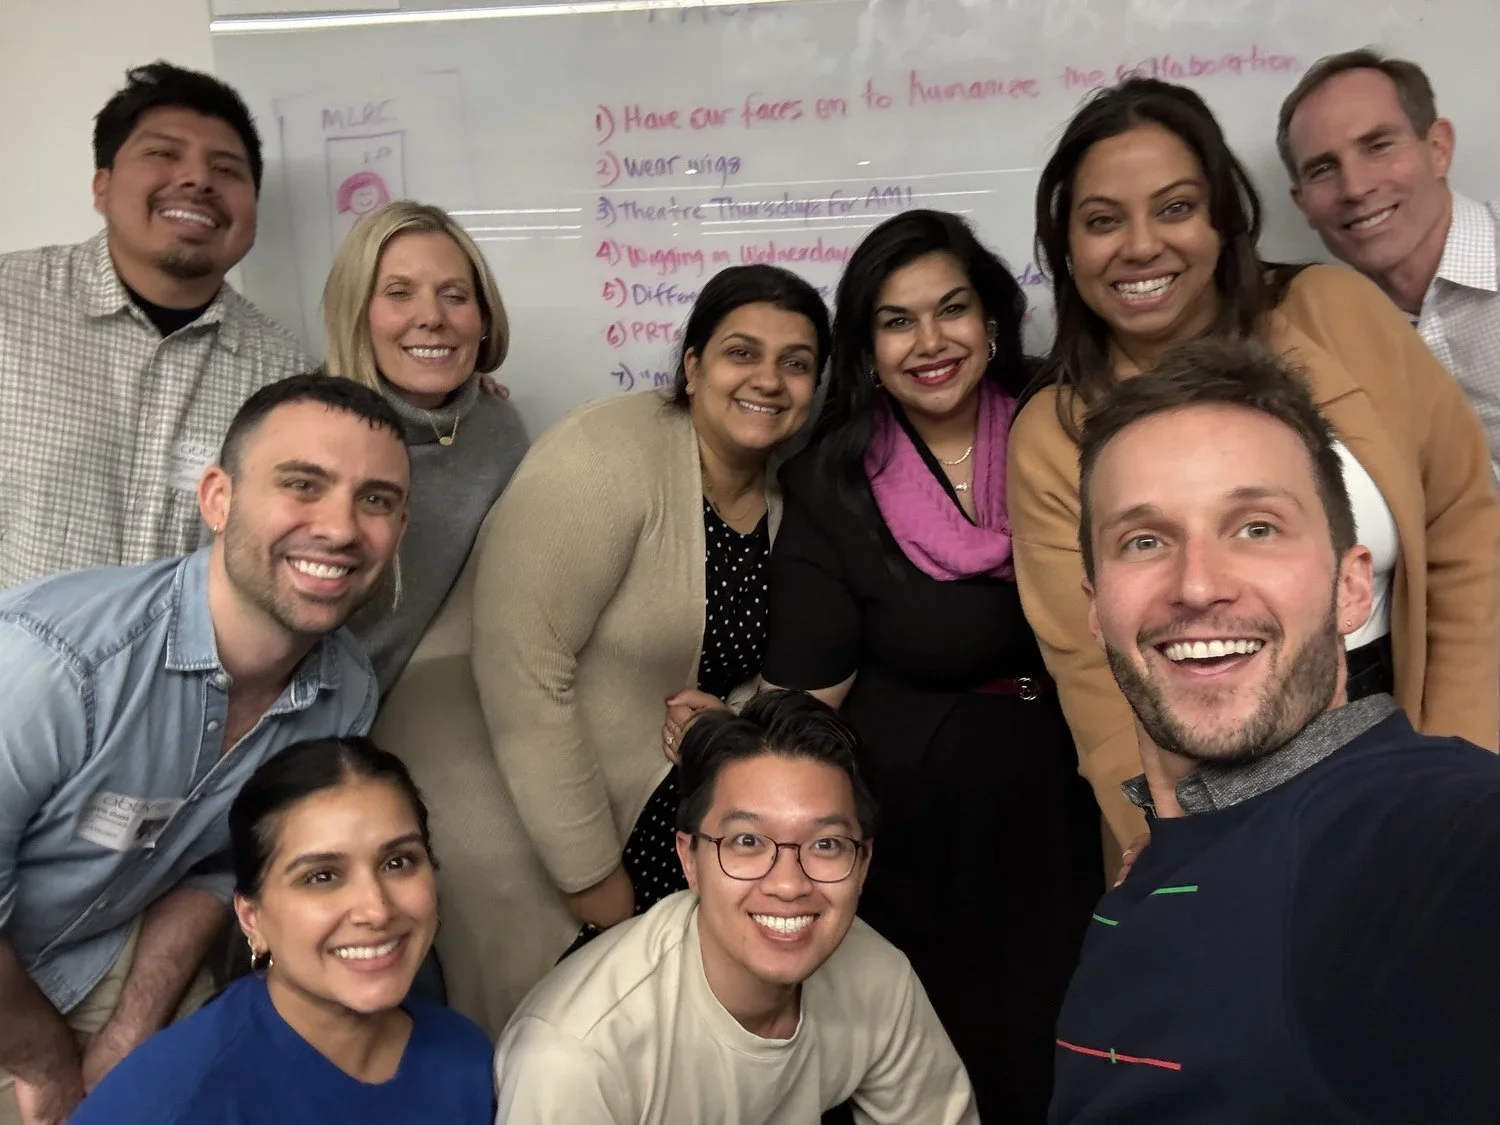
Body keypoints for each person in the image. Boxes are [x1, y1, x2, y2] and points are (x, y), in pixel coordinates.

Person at [1008, 77, 1500, 861]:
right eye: (1103, 221)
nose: (1140, 245)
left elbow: (1463, 523)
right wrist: (1174, 846)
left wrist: (1460, 765)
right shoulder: (1052, 434)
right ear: (1067, 247)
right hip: (1205, 783)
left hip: (1414, 718)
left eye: (1174, 207)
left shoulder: (1335, 311)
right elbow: (1095, 679)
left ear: (1223, 218)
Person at [1048, 339, 1500, 1125]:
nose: (1197, 585)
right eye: (1144, 540)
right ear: (1094, 604)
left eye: (1256, 527)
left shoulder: (1426, 830)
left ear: (1352, 587)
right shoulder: (1154, 865)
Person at [370, 264, 829, 1035]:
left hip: (650, 809)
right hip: (502, 797)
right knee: (548, 1051)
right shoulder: (610, 452)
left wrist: (729, 721)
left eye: (797, 363)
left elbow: (732, 665)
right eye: (741, 353)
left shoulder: (783, 498)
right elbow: (521, 666)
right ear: (692, 366)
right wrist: (594, 884)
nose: (769, 380)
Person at [736, 209, 1099, 1121]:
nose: (930, 342)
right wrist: (732, 738)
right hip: (925, 824)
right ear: (867, 344)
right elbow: (806, 695)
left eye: (952, 310)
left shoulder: (1065, 428)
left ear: (992, 320)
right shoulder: (833, 478)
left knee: (1077, 1040)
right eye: (897, 321)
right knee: (950, 1067)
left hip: (1076, 788)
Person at [0, 375, 407, 1125]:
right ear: (217, 498)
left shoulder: (344, 691)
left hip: (102, 947)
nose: (343, 528)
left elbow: (219, 866)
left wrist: (129, 1033)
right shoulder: (55, 665)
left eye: (375, 499)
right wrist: (46, 1062)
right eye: (303, 484)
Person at [494, 690, 977, 1123]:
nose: (788, 885)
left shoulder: (879, 977)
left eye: (826, 845)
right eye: (747, 841)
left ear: (863, 862)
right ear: (691, 860)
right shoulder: (574, 1058)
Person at [69, 737, 495, 1124]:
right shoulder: (168, 1101)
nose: (376, 909)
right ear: (253, 918)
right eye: (322, 876)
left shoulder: (467, 1058)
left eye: (398, 862)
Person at [0, 61, 311, 591]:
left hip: (187, 675)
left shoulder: (285, 376)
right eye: (163, 154)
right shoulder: (10, 303)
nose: (197, 180)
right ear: (102, 186)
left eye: (227, 169)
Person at [322, 200, 529, 692]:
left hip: (432, 716)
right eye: (399, 293)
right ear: (357, 311)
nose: (432, 317)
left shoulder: (498, 433)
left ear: (482, 317)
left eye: (455, 296)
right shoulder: (304, 431)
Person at [1277, 49, 1500, 472]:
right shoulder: (1317, 340)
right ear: (1302, 202)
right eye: (1323, 169)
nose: (1356, 187)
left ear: (1438, 149)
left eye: (1378, 146)